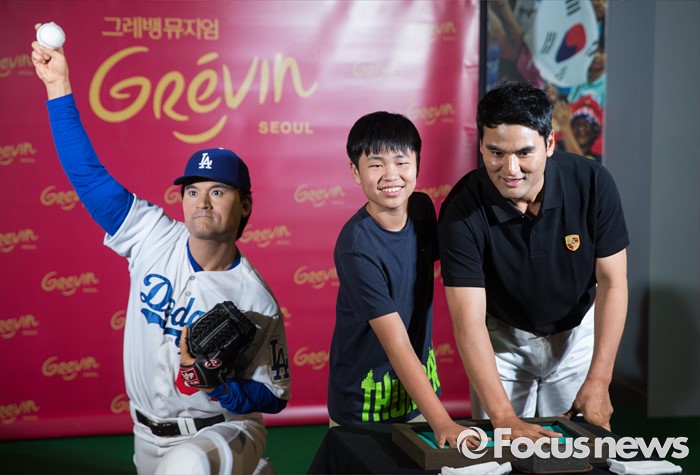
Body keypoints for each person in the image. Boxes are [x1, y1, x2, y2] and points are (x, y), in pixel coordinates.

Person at [31, 25, 290, 475]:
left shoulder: (256, 300)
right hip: (146, 436)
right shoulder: (150, 235)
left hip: (223, 428)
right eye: (192, 191)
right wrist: (58, 87)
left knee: (186, 467)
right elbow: (89, 177)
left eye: (217, 191)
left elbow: (274, 395)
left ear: (245, 204)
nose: (202, 202)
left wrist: (219, 384)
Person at [438, 81, 628, 441]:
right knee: (505, 451)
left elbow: (613, 282)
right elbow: (468, 323)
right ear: (481, 146)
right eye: (495, 152)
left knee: (582, 452)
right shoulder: (461, 211)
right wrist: (503, 417)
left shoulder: (593, 183)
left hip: (576, 336)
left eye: (524, 153)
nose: (510, 169)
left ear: (550, 143)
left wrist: (600, 380)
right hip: (503, 343)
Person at [327, 111, 467, 448]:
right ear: (355, 171)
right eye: (376, 164)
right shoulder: (356, 246)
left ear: (417, 164)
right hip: (364, 408)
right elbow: (397, 344)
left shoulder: (421, 208)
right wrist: (443, 421)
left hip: (419, 396)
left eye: (401, 161)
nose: (391, 174)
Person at [553, 95, 604, 161]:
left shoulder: (600, 155)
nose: (581, 129)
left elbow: (582, 164)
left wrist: (565, 127)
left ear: (595, 130)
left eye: (586, 125)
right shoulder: (560, 145)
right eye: (577, 124)